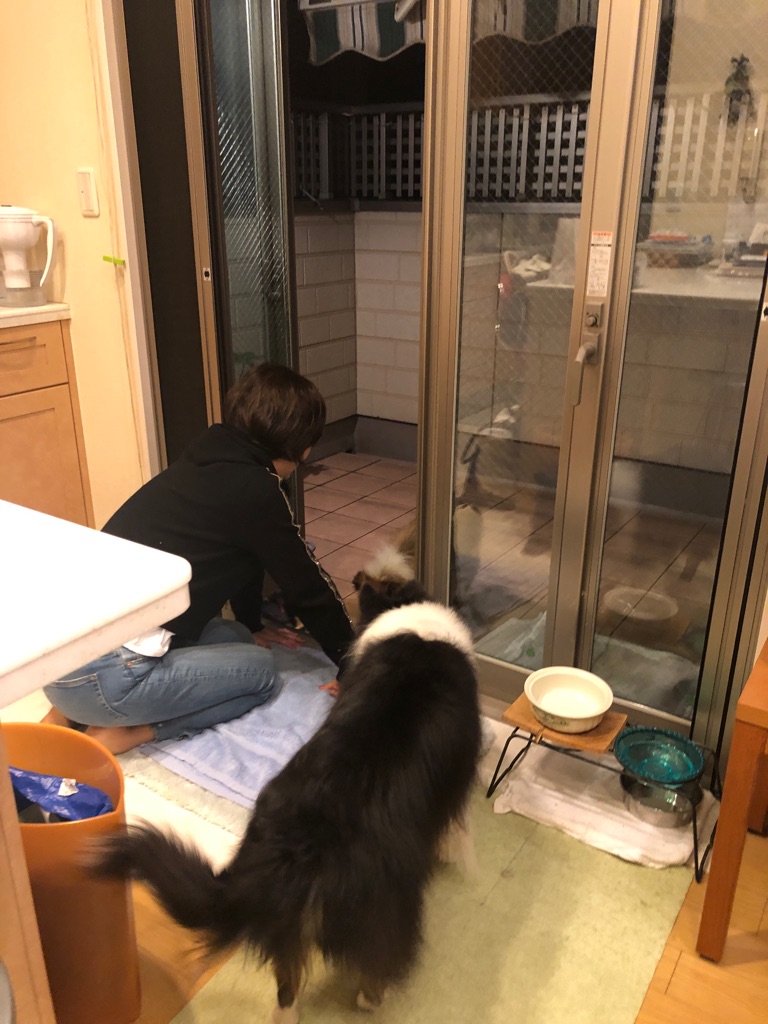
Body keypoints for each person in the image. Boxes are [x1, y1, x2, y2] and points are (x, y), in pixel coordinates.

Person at [42, 363, 355, 754]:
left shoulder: (207, 458)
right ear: (303, 445)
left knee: (236, 638)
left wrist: (251, 623)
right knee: (260, 675)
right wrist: (353, 664)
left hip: (53, 660)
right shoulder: (257, 490)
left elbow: (245, 557)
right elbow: (307, 585)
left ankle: (64, 713)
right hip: (107, 678)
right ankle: (127, 733)